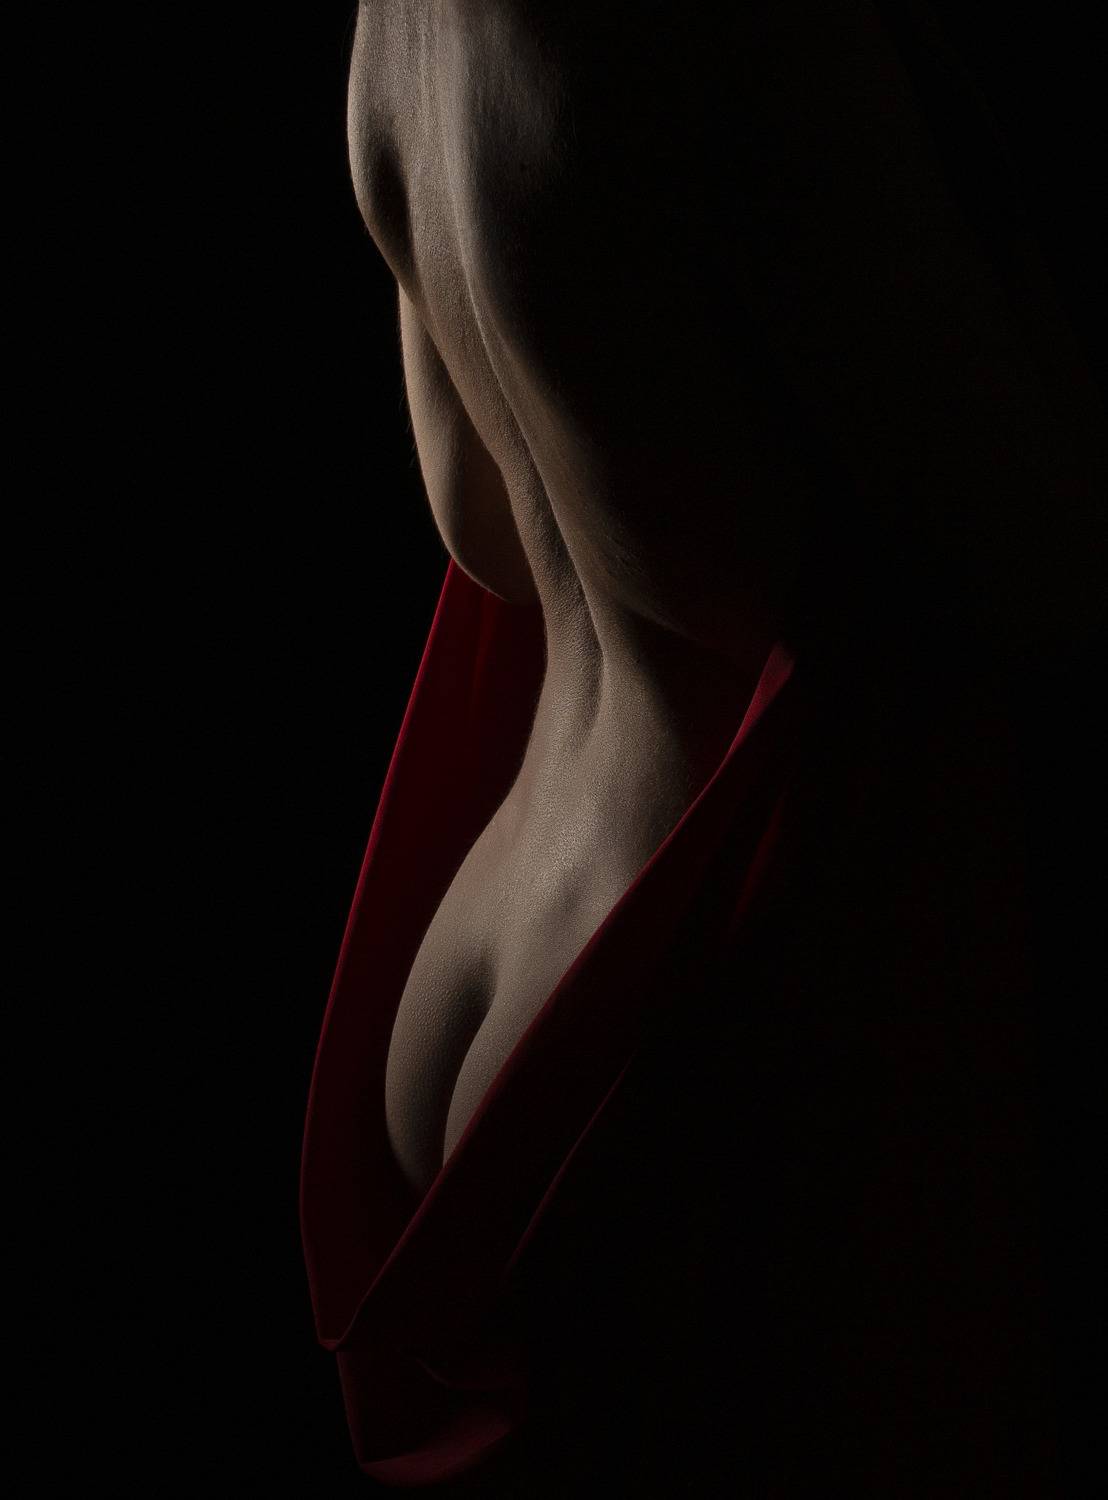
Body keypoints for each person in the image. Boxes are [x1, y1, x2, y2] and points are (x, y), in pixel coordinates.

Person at [301, 3, 1105, 1492]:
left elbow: (484, 535)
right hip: (697, 1003)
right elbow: (1034, 566)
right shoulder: (741, 27)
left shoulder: (401, 29)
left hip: (491, 947)